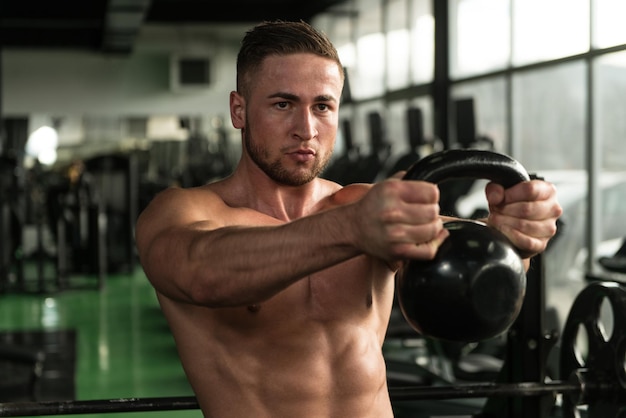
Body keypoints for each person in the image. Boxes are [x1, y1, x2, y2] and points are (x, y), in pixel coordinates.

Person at [135, 20, 563, 418]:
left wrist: (511, 237)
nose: (306, 128)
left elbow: (479, 279)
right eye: (283, 104)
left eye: (323, 106)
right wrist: (354, 228)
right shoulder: (184, 212)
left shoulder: (362, 204)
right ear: (239, 110)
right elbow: (200, 272)